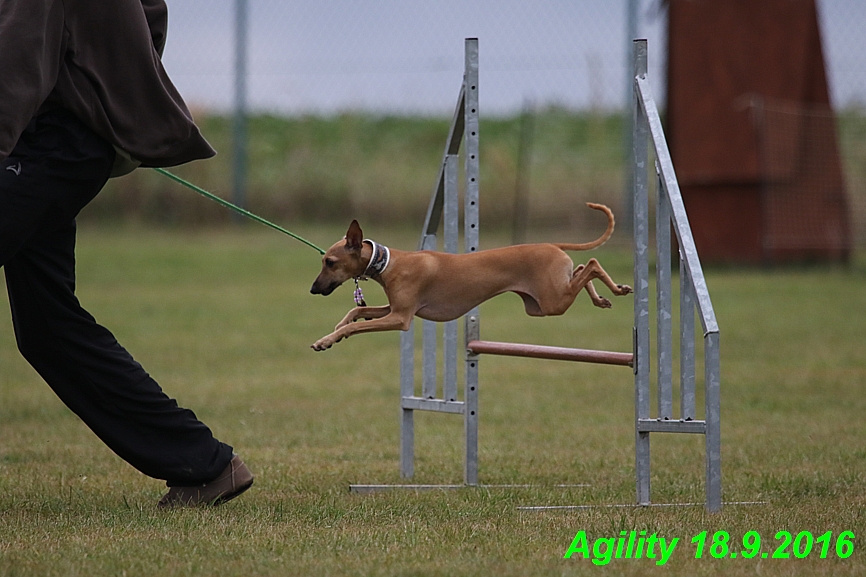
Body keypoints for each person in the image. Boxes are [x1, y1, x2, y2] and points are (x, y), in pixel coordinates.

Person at [0, 0, 253, 507]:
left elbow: (17, 52)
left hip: (43, 142)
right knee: (49, 328)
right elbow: (152, 14)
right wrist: (114, 93)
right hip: (68, 142)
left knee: (50, 325)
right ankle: (203, 464)